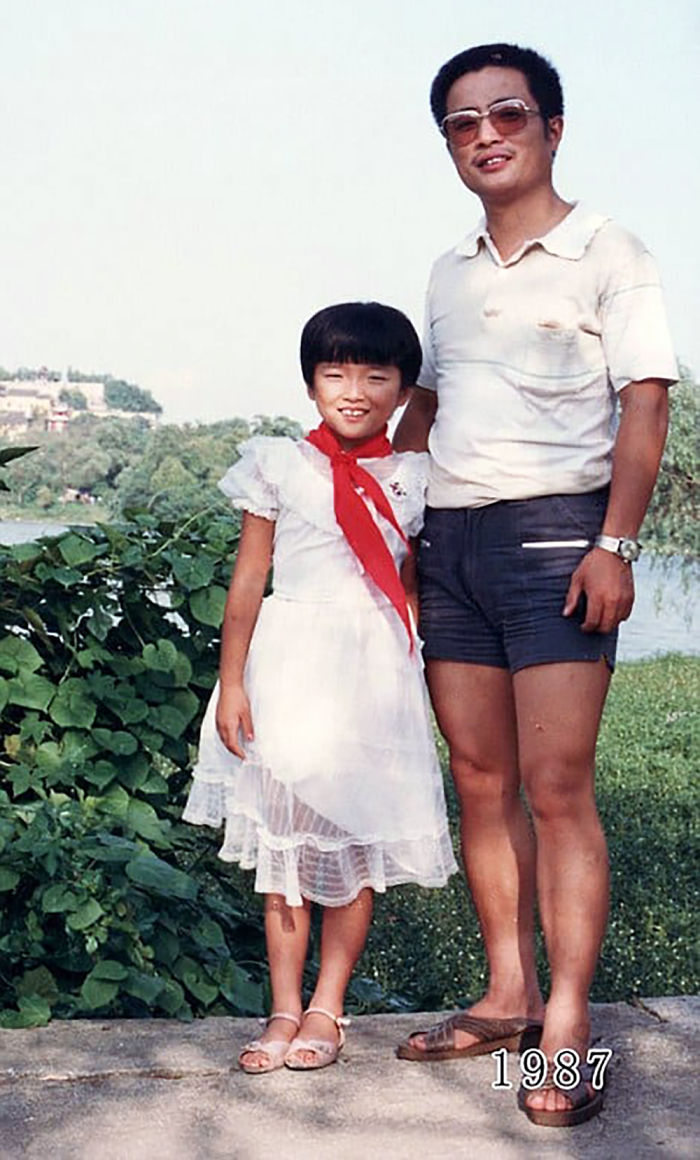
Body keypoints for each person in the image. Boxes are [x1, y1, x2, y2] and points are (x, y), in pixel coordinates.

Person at [394, 43, 677, 1126]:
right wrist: (395, 519)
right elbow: (422, 408)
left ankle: (565, 1020)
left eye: (505, 113)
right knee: (479, 775)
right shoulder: (447, 270)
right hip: (452, 542)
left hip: (560, 535)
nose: (483, 135)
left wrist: (616, 542)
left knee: (556, 783)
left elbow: (643, 404)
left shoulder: (610, 252)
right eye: (460, 123)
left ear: (551, 128)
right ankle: (507, 987)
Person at [183, 301, 457, 1074]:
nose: (355, 389)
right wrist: (231, 681)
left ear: (403, 388)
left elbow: (409, 586)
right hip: (288, 666)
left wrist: (417, 684)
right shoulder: (278, 464)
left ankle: (327, 1008)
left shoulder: (414, 474)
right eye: (335, 372)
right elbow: (248, 578)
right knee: (284, 855)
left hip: (371, 678)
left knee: (350, 849)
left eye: (378, 375)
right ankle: (280, 1007)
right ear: (310, 383)